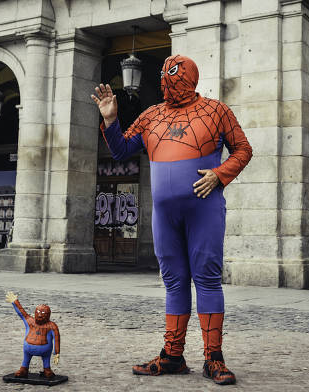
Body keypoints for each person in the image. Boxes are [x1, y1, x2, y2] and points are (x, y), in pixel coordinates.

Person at [93, 55, 253, 384]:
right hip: (165, 215)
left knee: (207, 279)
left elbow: (243, 149)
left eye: (175, 75)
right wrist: (110, 120)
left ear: (191, 77)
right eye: (165, 74)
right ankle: (172, 356)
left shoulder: (216, 110)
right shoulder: (151, 115)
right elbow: (121, 150)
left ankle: (214, 358)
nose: (169, 80)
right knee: (174, 281)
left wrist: (220, 174)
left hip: (204, 209)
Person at [5, 292, 61, 379]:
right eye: (38, 312)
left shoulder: (52, 326)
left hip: (45, 350)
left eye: (43, 312)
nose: (40, 315)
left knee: (46, 358)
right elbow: (21, 312)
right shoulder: (30, 321)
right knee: (26, 358)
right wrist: (15, 301)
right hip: (28, 348)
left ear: (48, 314)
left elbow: (57, 338)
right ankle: (24, 369)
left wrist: (57, 353)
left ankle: (47, 369)